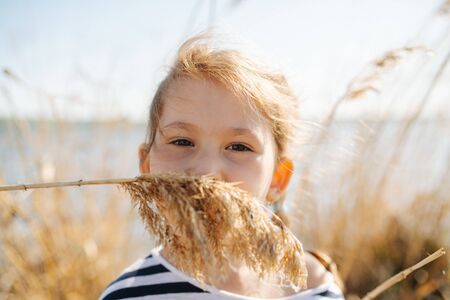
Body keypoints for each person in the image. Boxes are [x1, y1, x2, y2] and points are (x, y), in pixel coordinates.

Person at [100, 34, 345, 299]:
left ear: (277, 179)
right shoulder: (130, 295)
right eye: (182, 141)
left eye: (239, 147)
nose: (206, 170)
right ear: (147, 168)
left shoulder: (316, 288)